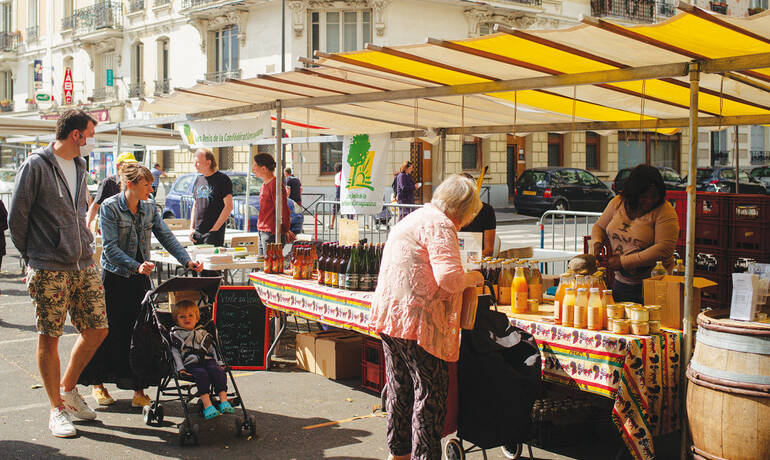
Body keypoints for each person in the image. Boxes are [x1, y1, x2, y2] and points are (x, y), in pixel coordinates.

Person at [369, 174, 485, 460]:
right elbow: (448, 278)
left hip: (392, 316)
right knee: (429, 397)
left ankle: (398, 455)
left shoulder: (416, 217)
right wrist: (475, 277)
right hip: (419, 321)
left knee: (400, 390)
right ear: (463, 209)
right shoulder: (440, 224)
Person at [8, 109, 108, 438]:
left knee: (97, 329)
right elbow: (17, 216)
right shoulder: (36, 165)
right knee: (49, 337)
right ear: (76, 134)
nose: (93, 140)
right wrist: (33, 256)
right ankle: (56, 409)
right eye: (90, 134)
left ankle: (68, 390)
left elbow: (79, 211)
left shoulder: (80, 165)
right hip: (48, 265)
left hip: (82, 263)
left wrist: (86, 246)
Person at [80, 163, 203, 407]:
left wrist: (187, 260)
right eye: (146, 184)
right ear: (131, 185)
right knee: (108, 332)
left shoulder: (149, 208)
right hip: (115, 277)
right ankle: (98, 384)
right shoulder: (110, 206)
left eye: (151, 184)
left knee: (141, 334)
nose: (151, 188)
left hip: (139, 278)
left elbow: (166, 236)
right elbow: (111, 247)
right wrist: (135, 265)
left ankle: (138, 389)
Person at [591, 164, 679, 304]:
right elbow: (599, 226)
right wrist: (597, 243)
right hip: (621, 283)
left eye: (654, 196)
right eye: (644, 196)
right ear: (633, 193)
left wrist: (623, 262)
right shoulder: (617, 203)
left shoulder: (665, 212)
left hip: (654, 285)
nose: (649, 201)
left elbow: (664, 249)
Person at [170, 300, 234, 419]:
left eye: (190, 315)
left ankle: (224, 401)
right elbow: (175, 353)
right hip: (191, 363)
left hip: (207, 359)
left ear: (197, 318)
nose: (187, 319)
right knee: (202, 374)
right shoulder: (176, 335)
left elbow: (212, 349)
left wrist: (219, 362)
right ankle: (207, 405)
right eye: (182, 317)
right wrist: (180, 368)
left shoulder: (202, 332)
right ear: (176, 320)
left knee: (218, 372)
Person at [189, 148, 233, 248]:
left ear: (208, 162)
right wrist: (191, 228)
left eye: (198, 162)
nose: (195, 165)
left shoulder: (222, 179)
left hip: (214, 233)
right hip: (197, 233)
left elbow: (229, 206)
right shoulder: (199, 179)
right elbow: (195, 205)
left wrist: (214, 229)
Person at [253, 153, 296, 255]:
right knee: (263, 265)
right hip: (262, 230)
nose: (253, 169)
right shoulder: (264, 184)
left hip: (271, 232)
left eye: (255, 166)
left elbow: (283, 209)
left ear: (264, 168)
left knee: (270, 265)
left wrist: (285, 229)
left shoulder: (275, 185)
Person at [87, 151, 138, 229]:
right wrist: (88, 225)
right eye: (128, 166)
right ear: (118, 166)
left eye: (133, 166)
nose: (131, 169)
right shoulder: (108, 183)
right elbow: (95, 205)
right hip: (110, 226)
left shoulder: (135, 182)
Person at [459, 173, 497, 257]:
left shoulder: (486, 210)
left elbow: (489, 250)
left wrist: (466, 259)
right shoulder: (449, 210)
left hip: (476, 262)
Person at [329, 162, 343, 229]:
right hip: (345, 195)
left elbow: (337, 185)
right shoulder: (343, 174)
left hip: (338, 195)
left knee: (334, 210)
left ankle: (332, 224)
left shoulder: (337, 175)